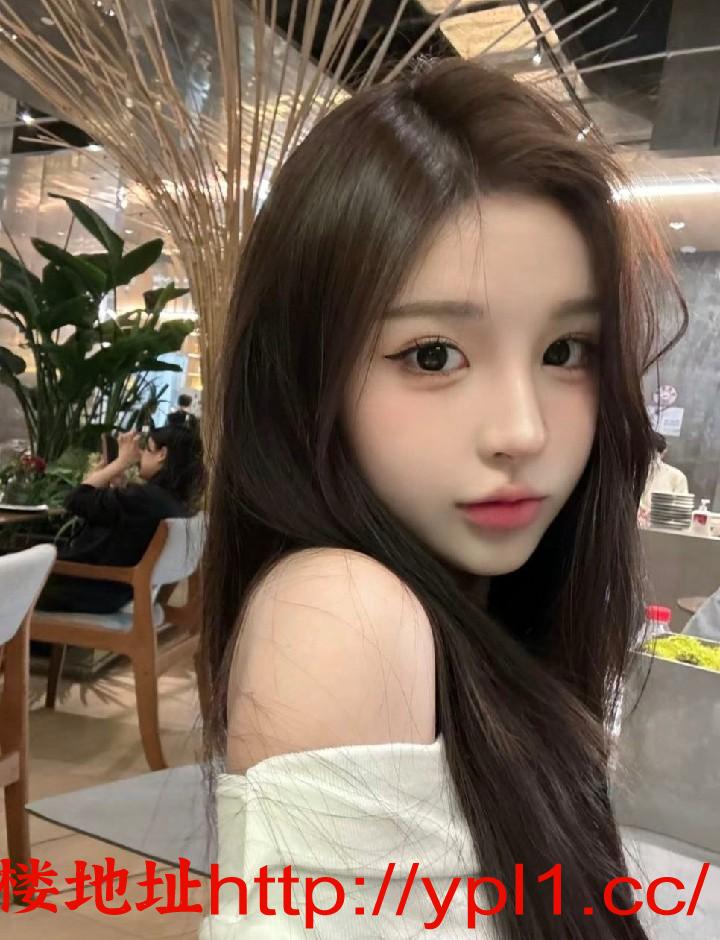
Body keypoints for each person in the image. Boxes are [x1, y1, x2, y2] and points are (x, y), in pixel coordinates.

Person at [199, 60, 687, 939]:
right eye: (432, 355)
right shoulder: (344, 616)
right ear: (306, 376)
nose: (522, 431)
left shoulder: (483, 624)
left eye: (566, 351)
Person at [37, 424, 204, 614]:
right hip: (115, 592)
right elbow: (124, 524)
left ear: (162, 454)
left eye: (147, 449)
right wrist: (117, 485)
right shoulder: (175, 504)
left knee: (17, 578)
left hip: (85, 590)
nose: (141, 455)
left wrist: (120, 462)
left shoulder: (145, 498)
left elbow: (75, 500)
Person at [639, 430, 689, 513]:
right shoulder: (628, 475)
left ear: (663, 453)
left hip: (661, 520)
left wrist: (655, 513)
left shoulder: (677, 477)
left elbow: (682, 511)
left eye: (652, 452)